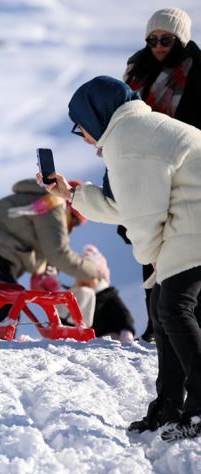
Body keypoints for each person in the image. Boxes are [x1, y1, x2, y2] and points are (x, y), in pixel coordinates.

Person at [49, 75, 201, 440]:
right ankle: (169, 408)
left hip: (192, 225)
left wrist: (151, 258)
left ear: (95, 113)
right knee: (164, 307)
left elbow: (144, 217)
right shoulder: (137, 129)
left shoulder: (127, 139)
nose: (82, 135)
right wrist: (71, 195)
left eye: (79, 125)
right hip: (190, 222)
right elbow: (125, 205)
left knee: (173, 307)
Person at [123, 7, 200, 342]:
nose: (157, 45)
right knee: (147, 239)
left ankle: (186, 323)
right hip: (142, 170)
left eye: (165, 39)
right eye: (152, 39)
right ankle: (157, 325)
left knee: (185, 246)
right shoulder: (136, 70)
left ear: (180, 39)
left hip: (187, 170)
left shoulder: (197, 71)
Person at [0, 178, 103, 322]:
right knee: (7, 310)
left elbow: (45, 249)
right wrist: (94, 272)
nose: (71, 227)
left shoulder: (44, 202)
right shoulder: (54, 203)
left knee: (5, 309)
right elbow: (58, 253)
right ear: (69, 204)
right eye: (74, 221)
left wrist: (46, 270)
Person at [29, 244, 136, 343]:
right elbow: (61, 314)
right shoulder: (74, 294)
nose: (84, 278)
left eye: (88, 275)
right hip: (75, 338)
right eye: (80, 274)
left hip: (104, 337)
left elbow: (122, 314)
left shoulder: (107, 295)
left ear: (99, 276)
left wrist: (126, 331)